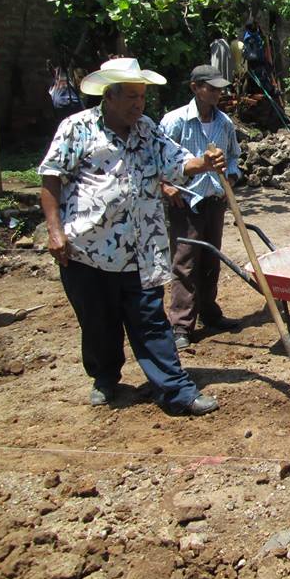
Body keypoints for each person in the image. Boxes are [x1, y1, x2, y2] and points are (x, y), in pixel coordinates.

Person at [39, 57, 227, 416]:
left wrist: (203, 161)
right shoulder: (76, 129)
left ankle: (176, 391)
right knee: (98, 324)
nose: (138, 104)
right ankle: (105, 379)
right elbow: (50, 179)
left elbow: (178, 162)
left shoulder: (148, 130)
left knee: (152, 323)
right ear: (108, 96)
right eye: (130, 96)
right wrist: (55, 232)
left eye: (142, 96)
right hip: (87, 252)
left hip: (142, 250)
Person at [160, 65, 242, 350]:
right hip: (185, 201)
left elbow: (233, 157)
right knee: (185, 263)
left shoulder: (224, 123)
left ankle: (208, 312)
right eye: (213, 88)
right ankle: (181, 324)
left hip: (214, 200)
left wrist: (231, 176)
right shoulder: (175, 122)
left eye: (221, 88)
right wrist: (165, 186)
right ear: (195, 88)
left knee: (210, 261)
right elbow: (157, 162)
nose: (219, 93)